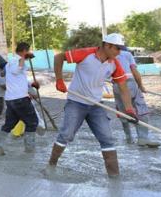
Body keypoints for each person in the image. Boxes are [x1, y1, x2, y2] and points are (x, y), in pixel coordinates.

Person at [47, 33, 138, 177]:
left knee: (107, 139)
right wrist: (59, 80)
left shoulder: (114, 63)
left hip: (96, 105)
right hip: (76, 103)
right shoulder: (86, 54)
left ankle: (115, 179)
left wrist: (129, 109)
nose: (119, 52)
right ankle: (51, 166)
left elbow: (123, 87)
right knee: (66, 134)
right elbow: (59, 57)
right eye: (117, 48)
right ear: (107, 45)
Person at [0, 42, 39, 155]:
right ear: (24, 51)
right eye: (28, 51)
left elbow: (18, 77)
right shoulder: (16, 61)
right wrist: (23, 58)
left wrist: (31, 84)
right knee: (32, 122)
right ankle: (29, 149)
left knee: (9, 124)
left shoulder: (11, 62)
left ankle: (0, 147)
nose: (29, 54)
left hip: (11, 99)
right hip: (20, 99)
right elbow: (16, 70)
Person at [113, 49, 160, 147]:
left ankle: (129, 138)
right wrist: (141, 86)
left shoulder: (108, 55)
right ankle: (143, 138)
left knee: (123, 112)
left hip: (116, 86)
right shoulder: (127, 54)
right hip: (130, 84)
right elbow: (135, 71)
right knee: (141, 110)